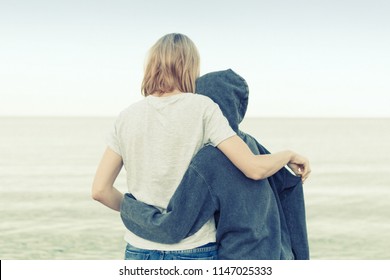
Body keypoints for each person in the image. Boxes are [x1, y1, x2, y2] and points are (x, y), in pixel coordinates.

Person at [92, 33, 310, 260]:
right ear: (190, 67)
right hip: (194, 250)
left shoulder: (126, 117)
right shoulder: (203, 108)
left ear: (151, 66)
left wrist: (144, 217)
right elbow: (253, 168)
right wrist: (288, 155)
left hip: (139, 249)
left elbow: (100, 191)